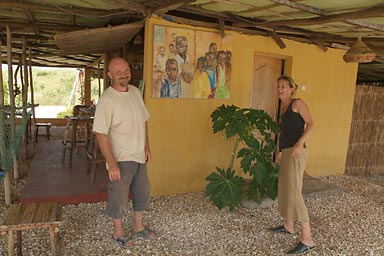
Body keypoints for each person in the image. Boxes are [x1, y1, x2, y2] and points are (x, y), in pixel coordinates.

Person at [93, 57, 156, 249]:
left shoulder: (135, 92)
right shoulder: (107, 99)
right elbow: (101, 133)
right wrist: (111, 163)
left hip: (139, 154)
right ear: (110, 75)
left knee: (143, 191)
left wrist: (146, 146)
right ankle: (118, 231)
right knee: (119, 194)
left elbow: (143, 120)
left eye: (126, 70)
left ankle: (138, 226)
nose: (124, 74)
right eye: (118, 72)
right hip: (120, 157)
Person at [271, 75, 315, 254]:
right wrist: (281, 151)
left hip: (297, 152)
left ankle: (308, 239)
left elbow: (311, 124)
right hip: (288, 152)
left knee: (295, 192)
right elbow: (286, 133)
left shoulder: (297, 103)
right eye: (278, 86)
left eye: (284, 86)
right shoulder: (284, 108)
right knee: (286, 189)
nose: (280, 88)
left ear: (291, 89)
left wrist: (298, 144)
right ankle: (289, 225)